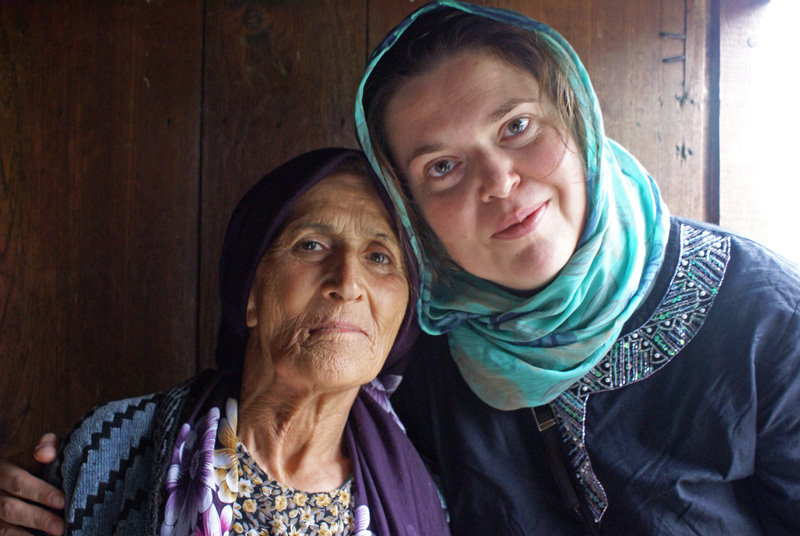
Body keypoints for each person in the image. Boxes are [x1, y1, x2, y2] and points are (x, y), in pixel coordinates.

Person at [4, 1, 800, 534]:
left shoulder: (767, 322)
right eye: (442, 169)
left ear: (580, 120)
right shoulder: (419, 350)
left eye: (518, 125)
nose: (498, 181)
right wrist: (63, 481)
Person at [0, 148, 450, 536]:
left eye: (379, 256)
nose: (348, 281)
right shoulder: (113, 447)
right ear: (249, 293)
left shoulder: (422, 499)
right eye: (311, 245)